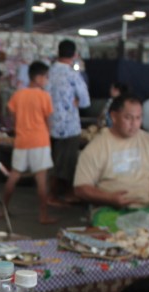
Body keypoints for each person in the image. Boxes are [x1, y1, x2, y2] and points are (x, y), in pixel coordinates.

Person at [74, 94, 149, 231]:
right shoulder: (96, 147)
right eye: (128, 118)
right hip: (111, 210)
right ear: (114, 117)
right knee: (109, 229)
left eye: (138, 118)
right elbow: (81, 188)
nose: (134, 123)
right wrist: (109, 198)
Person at [3, 61, 55, 225]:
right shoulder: (44, 96)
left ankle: (3, 209)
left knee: (14, 176)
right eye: (46, 77)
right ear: (38, 78)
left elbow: (11, 114)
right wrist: (48, 135)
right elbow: (48, 120)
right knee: (41, 179)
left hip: (21, 140)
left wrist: (19, 126)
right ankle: (43, 215)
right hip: (40, 141)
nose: (46, 80)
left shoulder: (18, 95)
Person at [48, 39, 90, 206]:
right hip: (69, 125)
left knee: (53, 159)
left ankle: (53, 193)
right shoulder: (73, 75)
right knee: (66, 162)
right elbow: (85, 101)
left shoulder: (49, 72)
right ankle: (58, 194)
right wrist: (77, 102)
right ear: (75, 55)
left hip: (49, 123)